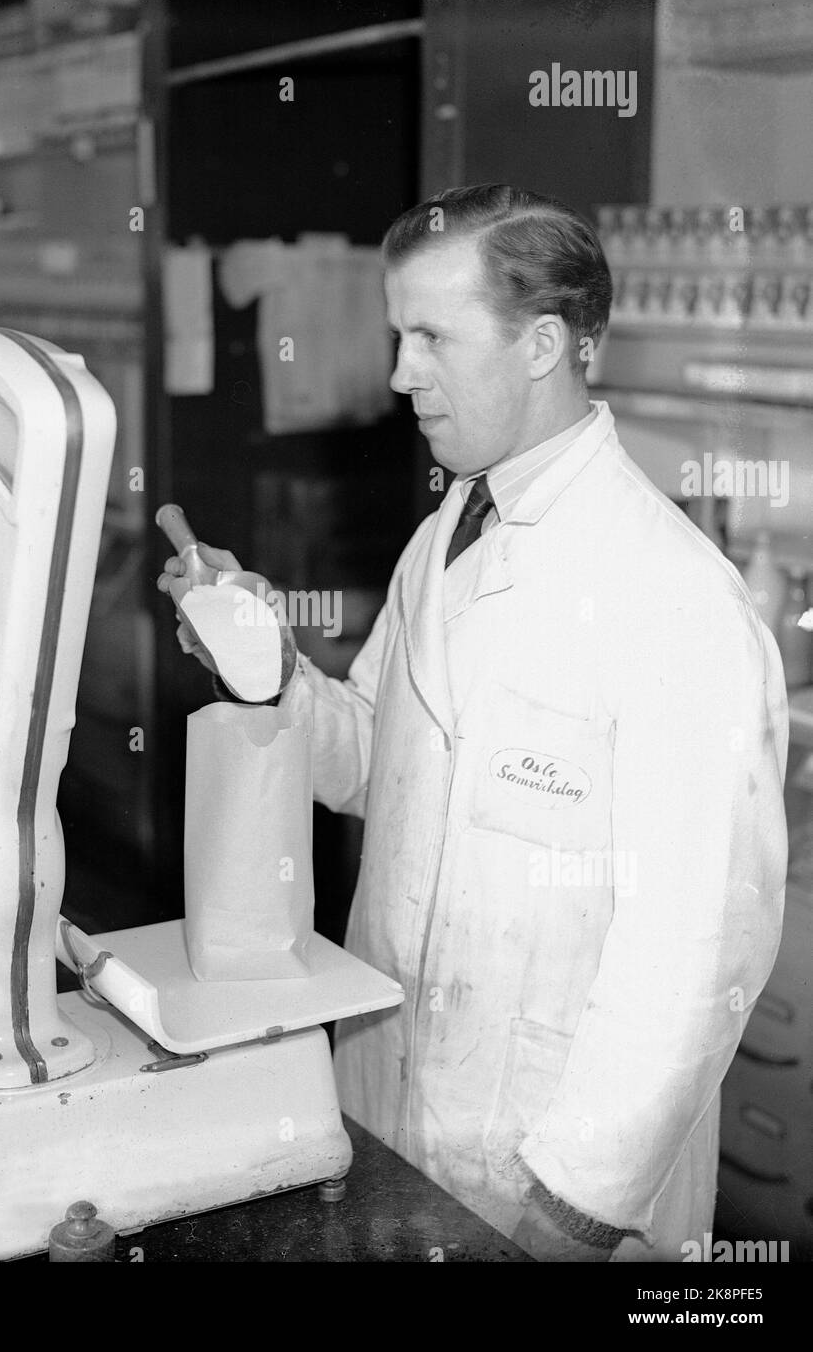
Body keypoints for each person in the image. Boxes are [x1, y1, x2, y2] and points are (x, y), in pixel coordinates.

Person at [158, 184, 789, 1262]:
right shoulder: (449, 528)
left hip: (546, 1192)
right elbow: (373, 762)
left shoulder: (675, 600)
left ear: (542, 343)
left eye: (430, 337)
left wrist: (570, 1213)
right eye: (398, 336)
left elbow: (696, 955)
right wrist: (261, 667)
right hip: (389, 1129)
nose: (401, 372)